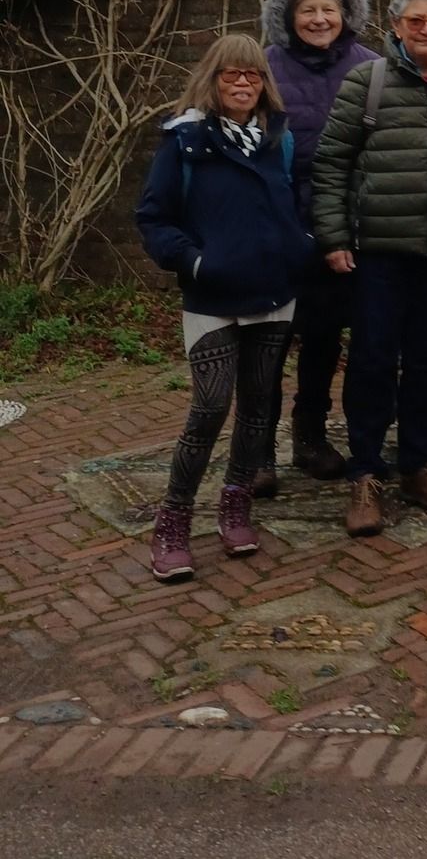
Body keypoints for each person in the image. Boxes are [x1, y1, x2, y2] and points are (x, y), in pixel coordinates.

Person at [311, 0, 427, 537]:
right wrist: (335, 238)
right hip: (380, 254)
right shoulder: (366, 83)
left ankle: (418, 464)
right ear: (396, 25)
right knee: (370, 363)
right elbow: (332, 165)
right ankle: (366, 473)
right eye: (417, 21)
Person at [135, 36, 312, 582]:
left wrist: (299, 243)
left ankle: (235, 504)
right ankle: (173, 522)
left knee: (260, 404)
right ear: (212, 80)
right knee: (210, 407)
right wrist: (193, 262)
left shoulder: (277, 140)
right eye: (231, 75)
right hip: (212, 298)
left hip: (273, 296)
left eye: (253, 76)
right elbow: (154, 217)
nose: (242, 84)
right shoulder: (185, 142)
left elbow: (298, 200)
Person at [259, 0, 378, 485]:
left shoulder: (372, 66)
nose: (319, 18)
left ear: (346, 12)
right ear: (289, 15)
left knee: (325, 338)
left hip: (343, 227)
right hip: (280, 227)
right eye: (308, 10)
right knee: (268, 342)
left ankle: (310, 435)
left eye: (329, 8)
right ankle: (256, 451)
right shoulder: (264, 68)